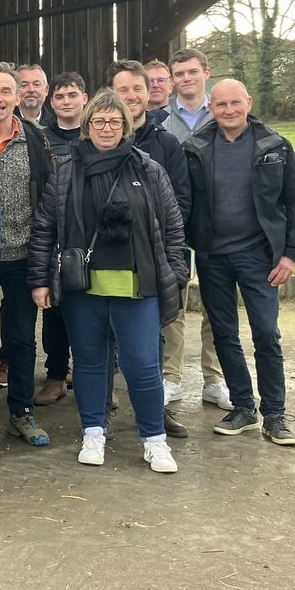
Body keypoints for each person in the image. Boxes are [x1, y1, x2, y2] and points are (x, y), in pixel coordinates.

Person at [28, 89, 188, 474]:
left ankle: (154, 440)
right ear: (86, 126)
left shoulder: (148, 169)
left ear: (127, 126)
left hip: (138, 285)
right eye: (98, 121)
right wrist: (40, 280)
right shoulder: (66, 170)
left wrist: (176, 272)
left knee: (142, 365)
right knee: (89, 363)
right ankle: (93, 432)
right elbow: (45, 227)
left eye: (114, 121)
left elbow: (172, 227)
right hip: (84, 287)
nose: (106, 128)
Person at [184, 80, 295, 446]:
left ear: (248, 103)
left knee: (266, 334)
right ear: (211, 107)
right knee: (224, 334)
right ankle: (243, 406)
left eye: (235, 103)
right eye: (220, 104)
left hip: (260, 257)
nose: (228, 110)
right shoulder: (196, 148)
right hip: (213, 257)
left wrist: (291, 254)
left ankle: (274, 413)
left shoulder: (275, 146)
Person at [0, 64, 54, 446]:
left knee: (21, 339)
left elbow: (49, 200)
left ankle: (20, 411)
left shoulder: (37, 140)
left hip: (24, 256)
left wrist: (44, 256)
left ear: (18, 98)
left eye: (6, 91)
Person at [109, 60, 192, 439]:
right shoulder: (98, 139)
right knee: (106, 331)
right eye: (122, 89)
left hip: (151, 256)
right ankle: (103, 404)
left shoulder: (166, 144)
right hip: (109, 255)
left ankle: (155, 412)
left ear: (149, 93)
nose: (130, 96)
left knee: (153, 336)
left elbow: (181, 202)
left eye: (136, 89)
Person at [155, 49, 232, 411]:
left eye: (191, 72)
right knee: (174, 302)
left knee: (218, 302)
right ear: (172, 80)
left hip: (217, 222)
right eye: (179, 74)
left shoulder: (223, 114)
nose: (186, 79)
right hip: (176, 224)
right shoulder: (160, 122)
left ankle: (214, 378)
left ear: (206, 72)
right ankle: (171, 377)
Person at [33, 72, 88, 406]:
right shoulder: (41, 139)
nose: (66, 101)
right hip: (55, 232)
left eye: (72, 95)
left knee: (92, 311)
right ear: (51, 103)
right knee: (53, 309)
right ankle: (55, 376)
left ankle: (91, 378)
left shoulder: (95, 134)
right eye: (60, 97)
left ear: (85, 97)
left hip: (90, 235)